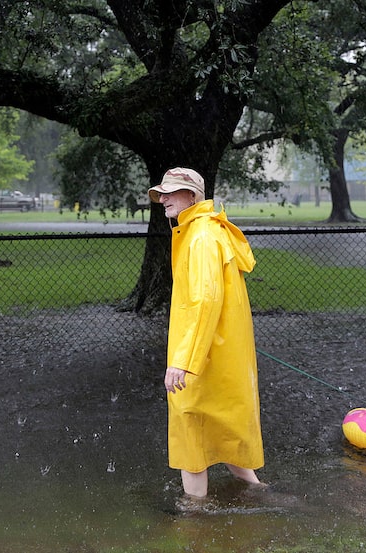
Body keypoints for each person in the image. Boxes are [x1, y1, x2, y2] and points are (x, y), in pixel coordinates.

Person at [148, 167, 265, 500]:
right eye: (162, 192)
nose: (164, 199)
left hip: (201, 358)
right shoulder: (208, 231)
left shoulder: (200, 237)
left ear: (192, 196)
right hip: (219, 354)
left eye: (171, 192)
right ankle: (264, 497)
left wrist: (182, 361)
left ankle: (194, 518)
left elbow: (204, 301)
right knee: (224, 434)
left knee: (191, 435)